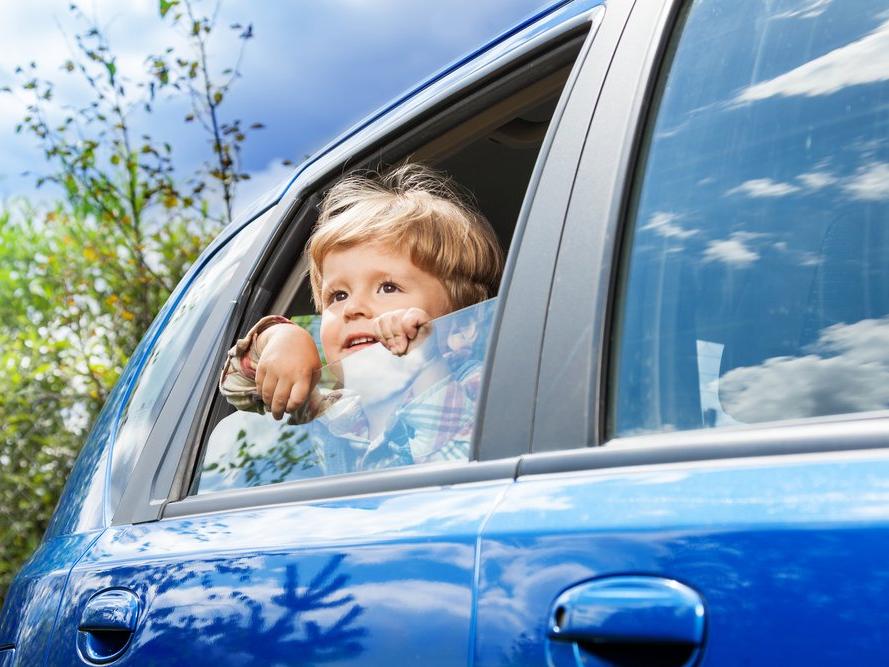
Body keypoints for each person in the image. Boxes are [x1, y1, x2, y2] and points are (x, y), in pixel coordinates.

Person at [217, 163, 504, 473]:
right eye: (338, 295)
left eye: (388, 287)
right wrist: (281, 338)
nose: (353, 308)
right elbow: (237, 387)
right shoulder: (335, 411)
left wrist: (426, 366)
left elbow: (459, 461)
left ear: (462, 326)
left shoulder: (485, 387)